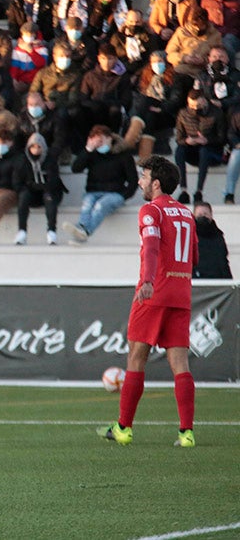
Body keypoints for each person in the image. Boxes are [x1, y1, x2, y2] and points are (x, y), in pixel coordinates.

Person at [99, 156, 198, 449]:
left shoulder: (150, 210)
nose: (140, 181)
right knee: (180, 363)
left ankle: (124, 428)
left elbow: (152, 246)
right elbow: (194, 255)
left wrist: (148, 281)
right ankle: (186, 433)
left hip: (155, 292)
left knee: (136, 357)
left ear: (155, 183)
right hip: (181, 292)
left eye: (143, 177)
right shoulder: (186, 213)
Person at [63, 125, 138, 244]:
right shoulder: (92, 154)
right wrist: (88, 149)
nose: (99, 144)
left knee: (101, 205)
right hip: (93, 191)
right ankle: (82, 231)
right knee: (87, 205)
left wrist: (124, 195)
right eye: (96, 141)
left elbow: (133, 180)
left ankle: (84, 230)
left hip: (115, 193)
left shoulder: (123, 156)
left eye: (101, 141)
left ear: (109, 138)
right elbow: (76, 168)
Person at [192, 201, 231, 279]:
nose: (203, 216)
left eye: (205, 214)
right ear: (194, 216)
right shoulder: (190, 236)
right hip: (196, 281)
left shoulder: (218, 236)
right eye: (199, 214)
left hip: (217, 280)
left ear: (211, 215)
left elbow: (223, 260)